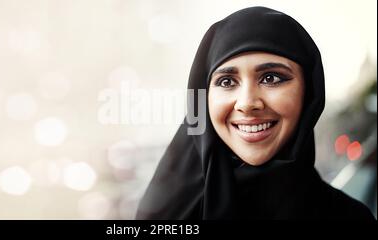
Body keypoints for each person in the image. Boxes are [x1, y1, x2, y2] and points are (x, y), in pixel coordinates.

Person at [135, 6, 375, 220]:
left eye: (271, 78)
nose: (248, 103)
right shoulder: (166, 215)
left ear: (309, 93)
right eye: (227, 81)